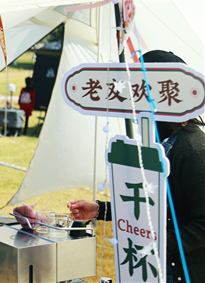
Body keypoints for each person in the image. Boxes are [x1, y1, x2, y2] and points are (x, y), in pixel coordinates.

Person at [68, 50, 205, 283]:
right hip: (151, 268)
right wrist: (101, 210)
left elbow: (202, 225)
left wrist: (152, 242)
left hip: (181, 273)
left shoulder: (193, 151)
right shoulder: (156, 144)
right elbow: (149, 205)